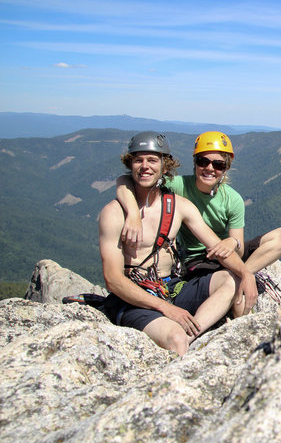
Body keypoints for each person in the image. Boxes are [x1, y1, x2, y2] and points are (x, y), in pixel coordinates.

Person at [100, 131, 257, 355]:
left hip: (171, 287)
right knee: (175, 338)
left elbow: (216, 246)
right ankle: (181, 340)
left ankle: (191, 335)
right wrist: (166, 309)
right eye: (138, 160)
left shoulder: (179, 207)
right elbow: (113, 280)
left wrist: (246, 274)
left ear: (165, 167)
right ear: (130, 164)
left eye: (153, 160)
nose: (145, 166)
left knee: (231, 280)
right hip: (134, 298)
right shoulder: (114, 214)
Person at [116, 130, 281, 315]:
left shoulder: (233, 200)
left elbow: (238, 250)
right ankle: (239, 281)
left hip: (226, 253)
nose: (209, 168)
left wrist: (232, 243)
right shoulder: (178, 185)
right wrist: (133, 214)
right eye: (203, 161)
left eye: (218, 164)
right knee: (239, 298)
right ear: (195, 163)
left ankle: (242, 276)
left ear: (226, 168)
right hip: (198, 260)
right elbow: (125, 180)